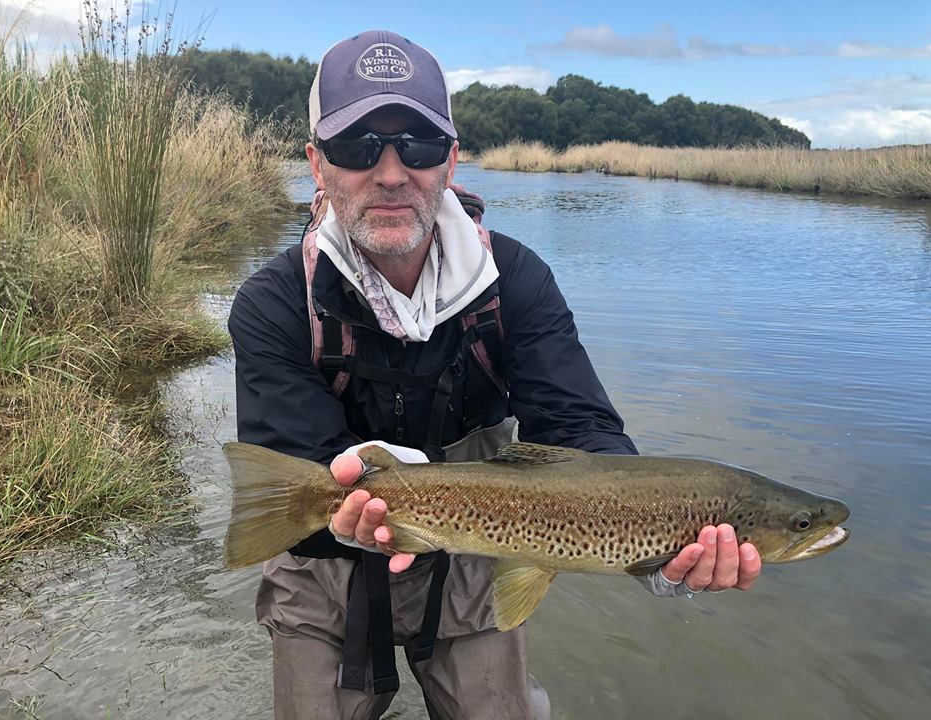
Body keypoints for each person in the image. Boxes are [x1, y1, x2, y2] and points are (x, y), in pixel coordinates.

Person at [228, 29, 763, 720]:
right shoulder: (273, 303)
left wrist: (661, 553)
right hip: (323, 562)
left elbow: (581, 433)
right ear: (316, 165)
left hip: (478, 556)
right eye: (358, 147)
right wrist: (356, 495)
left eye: (416, 146)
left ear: (449, 161)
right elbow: (293, 481)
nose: (391, 173)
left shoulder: (517, 282)